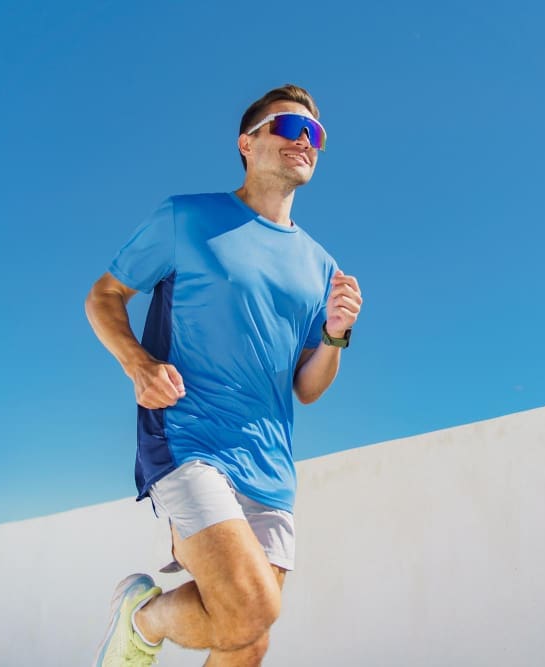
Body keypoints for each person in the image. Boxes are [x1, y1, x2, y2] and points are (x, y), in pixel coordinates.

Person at [85, 83, 363, 666]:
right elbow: (105, 295)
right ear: (247, 142)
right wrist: (139, 363)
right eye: (290, 128)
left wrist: (335, 335)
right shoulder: (187, 218)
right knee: (251, 608)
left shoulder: (321, 266)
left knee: (248, 639)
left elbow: (307, 388)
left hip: (271, 465)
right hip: (188, 438)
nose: (305, 142)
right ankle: (143, 620)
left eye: (316, 135)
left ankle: (147, 622)